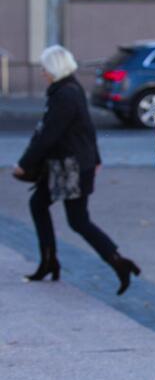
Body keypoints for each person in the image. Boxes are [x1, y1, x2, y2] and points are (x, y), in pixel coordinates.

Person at [13, 45, 140, 295]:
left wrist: (24, 164)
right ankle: (49, 261)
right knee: (40, 205)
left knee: (78, 221)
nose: (42, 73)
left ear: (54, 69)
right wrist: (96, 158)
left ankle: (118, 263)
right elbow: (86, 128)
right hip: (69, 164)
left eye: (44, 68)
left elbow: (48, 135)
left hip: (71, 167)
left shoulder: (65, 94)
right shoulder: (67, 89)